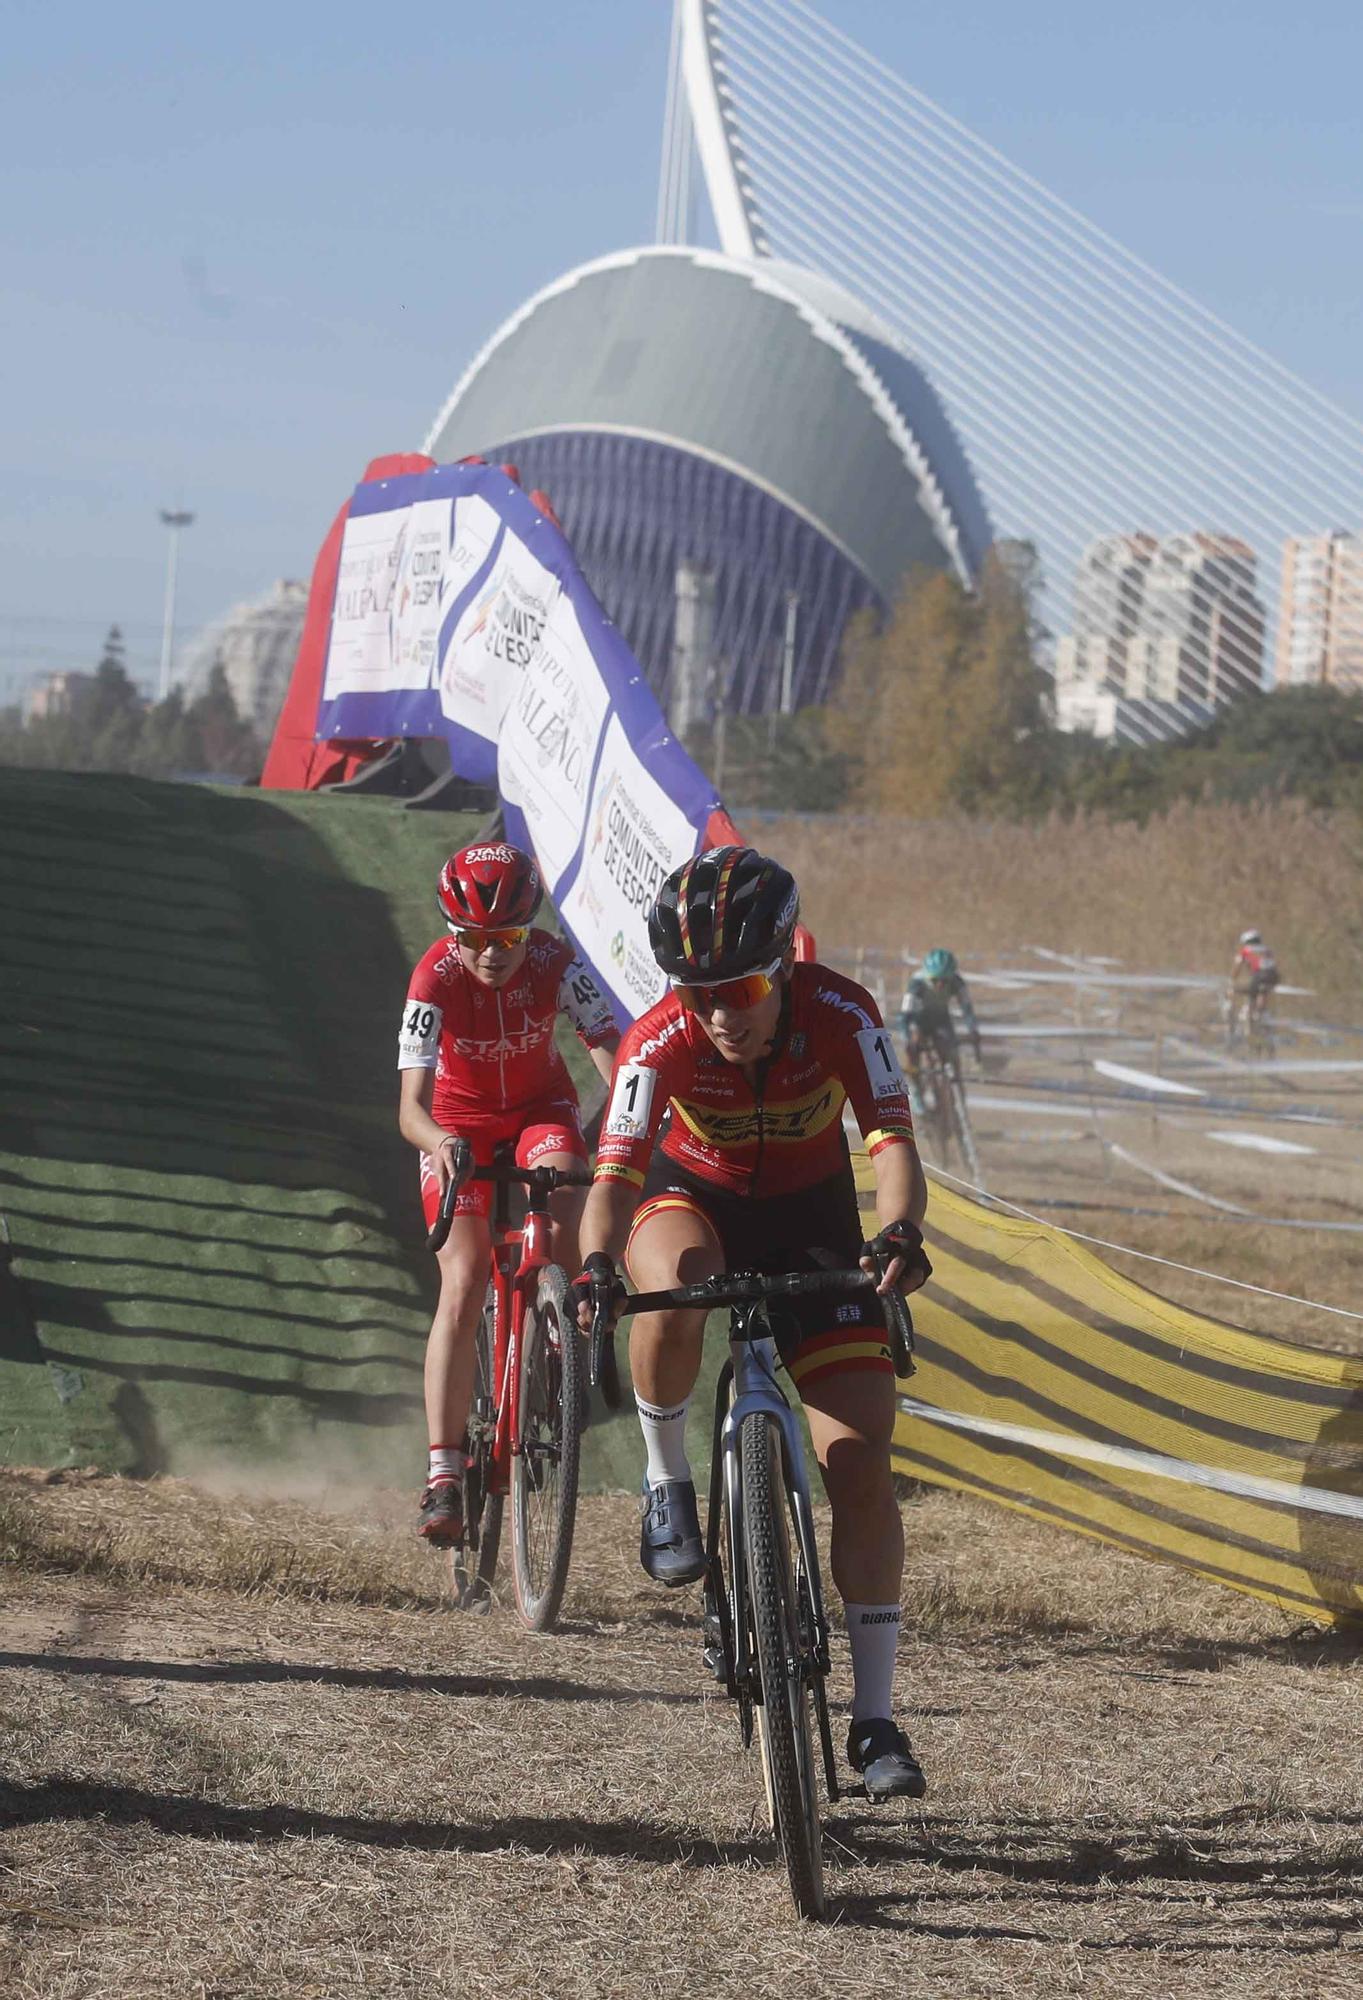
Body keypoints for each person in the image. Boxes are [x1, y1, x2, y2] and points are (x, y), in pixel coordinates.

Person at [572, 846, 932, 1801]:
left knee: (859, 1463)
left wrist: (900, 1227)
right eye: (700, 995)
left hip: (816, 1221)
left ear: (784, 967)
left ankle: (874, 1719)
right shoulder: (659, 1042)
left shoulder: (843, 1013)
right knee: (675, 1280)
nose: (721, 1013)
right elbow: (611, 1182)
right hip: (694, 1200)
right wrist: (597, 1265)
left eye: (741, 988)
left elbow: (893, 1146)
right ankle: (666, 1481)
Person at [397, 841, 619, 1547]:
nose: (492, 954)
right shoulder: (432, 979)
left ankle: (551, 1321)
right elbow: (408, 1110)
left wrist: (620, 1121)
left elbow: (611, 1049)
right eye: (475, 940)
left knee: (566, 1181)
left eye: (509, 938)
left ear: (532, 930)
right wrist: (438, 1142)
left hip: (538, 1112)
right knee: (462, 1281)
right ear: (452, 934)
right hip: (455, 1126)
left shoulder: (556, 963)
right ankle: (441, 1470)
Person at [1228, 928, 1280, 1040]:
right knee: (1262, 992)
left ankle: (1252, 1020)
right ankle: (1261, 1014)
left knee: (1251, 995)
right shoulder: (1267, 950)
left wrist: (1231, 980)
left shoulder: (1245, 951)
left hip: (1259, 976)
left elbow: (1237, 968)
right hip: (1273, 976)